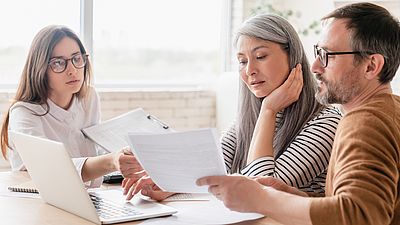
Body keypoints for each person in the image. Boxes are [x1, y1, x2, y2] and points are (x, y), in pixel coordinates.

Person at [197, 2, 400, 225]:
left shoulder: (365, 122)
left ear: (371, 66)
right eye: (317, 53)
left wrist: (263, 198)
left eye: (327, 55)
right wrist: (297, 196)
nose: (314, 66)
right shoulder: (387, 111)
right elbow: (355, 205)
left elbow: (360, 216)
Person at [121, 13, 342, 200]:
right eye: (242, 61)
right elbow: (213, 168)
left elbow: (261, 191)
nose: (250, 70)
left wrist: (268, 110)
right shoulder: (249, 117)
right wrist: (170, 185)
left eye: (260, 56)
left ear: (292, 56)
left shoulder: (327, 121)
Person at [0, 25, 139, 187]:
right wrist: (111, 161)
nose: (72, 70)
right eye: (58, 63)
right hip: (41, 202)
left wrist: (126, 155)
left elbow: (93, 146)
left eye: (77, 58)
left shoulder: (89, 97)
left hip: (88, 196)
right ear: (40, 68)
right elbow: (51, 169)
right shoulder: (24, 113)